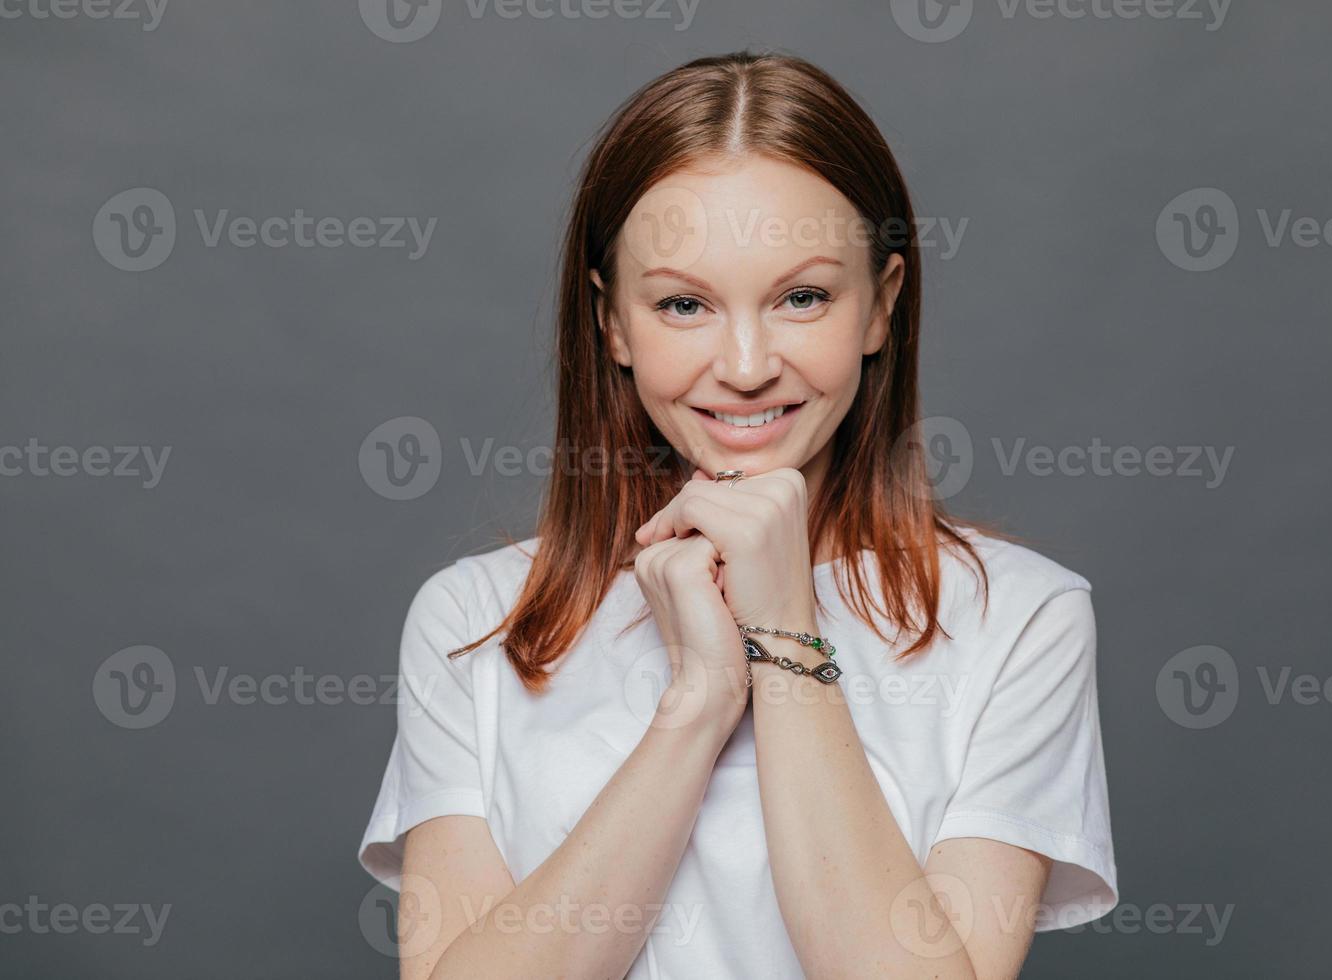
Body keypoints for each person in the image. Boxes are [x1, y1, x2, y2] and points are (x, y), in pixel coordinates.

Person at [358, 49, 1118, 979]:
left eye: (802, 297)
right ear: (613, 325)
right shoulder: (475, 623)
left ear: (880, 305)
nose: (748, 363)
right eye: (684, 304)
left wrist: (785, 635)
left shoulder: (1023, 621)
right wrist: (700, 701)